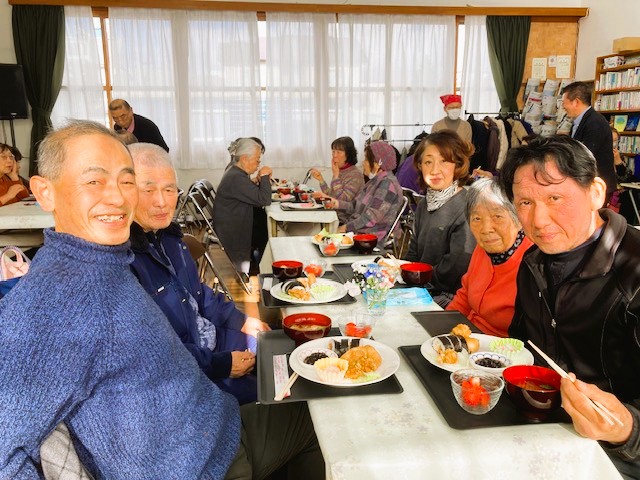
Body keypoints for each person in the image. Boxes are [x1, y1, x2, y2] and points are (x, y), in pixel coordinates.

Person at [1, 120, 322, 479]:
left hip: (214, 426)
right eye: (94, 181)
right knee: (321, 424)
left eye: (126, 181)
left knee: (308, 397)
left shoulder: (109, 265)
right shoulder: (51, 304)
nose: (118, 197)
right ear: (44, 192)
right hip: (201, 463)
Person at [499, 135, 640, 479]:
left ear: (596, 192)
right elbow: (520, 346)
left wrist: (626, 429)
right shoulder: (533, 262)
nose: (539, 220)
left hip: (613, 457)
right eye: (525, 202)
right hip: (540, 431)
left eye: (555, 198)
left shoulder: (634, 273)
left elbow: (624, 430)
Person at [128, 142, 269, 405]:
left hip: (211, 339)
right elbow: (158, 355)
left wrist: (241, 320)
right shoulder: (125, 261)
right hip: (195, 369)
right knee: (271, 388)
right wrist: (222, 364)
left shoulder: (169, 238)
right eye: (148, 190)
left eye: (169, 189)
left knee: (274, 349)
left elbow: (199, 295)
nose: (162, 201)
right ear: (126, 190)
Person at [446, 178, 533, 337]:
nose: (486, 229)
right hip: (467, 336)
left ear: (519, 219)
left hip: (502, 347)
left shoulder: (533, 263)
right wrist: (442, 330)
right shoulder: (482, 249)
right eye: (477, 219)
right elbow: (464, 297)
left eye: (497, 216)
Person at [404, 130, 476, 307]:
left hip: (449, 296)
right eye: (428, 162)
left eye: (444, 161)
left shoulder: (466, 207)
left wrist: (417, 280)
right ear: (420, 166)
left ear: (457, 164)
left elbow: (456, 268)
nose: (435, 170)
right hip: (421, 287)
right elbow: (413, 252)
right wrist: (404, 271)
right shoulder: (424, 204)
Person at [325, 141, 403, 242]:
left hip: (372, 238)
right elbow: (355, 205)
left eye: (366, 159)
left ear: (377, 164)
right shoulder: (375, 181)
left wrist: (344, 228)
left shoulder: (387, 185)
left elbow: (370, 219)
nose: (363, 163)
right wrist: (336, 204)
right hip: (358, 231)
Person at [214, 138, 272, 273]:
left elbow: (245, 191)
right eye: (257, 160)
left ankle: (259, 263)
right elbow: (264, 199)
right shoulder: (236, 177)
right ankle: (260, 267)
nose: (258, 164)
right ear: (245, 159)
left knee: (265, 221)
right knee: (267, 227)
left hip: (233, 222)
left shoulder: (234, 171)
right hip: (233, 230)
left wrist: (255, 182)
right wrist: (264, 175)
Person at [562, 81, 616, 204]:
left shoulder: (595, 122)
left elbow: (585, 154)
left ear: (576, 102)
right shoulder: (579, 122)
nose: (563, 106)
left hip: (596, 186)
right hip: (585, 183)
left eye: (564, 102)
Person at [310, 136, 364, 224]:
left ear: (348, 154)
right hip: (333, 214)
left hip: (345, 220)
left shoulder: (355, 175)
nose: (334, 155)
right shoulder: (340, 170)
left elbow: (344, 201)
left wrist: (335, 176)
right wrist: (321, 180)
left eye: (338, 152)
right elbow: (332, 195)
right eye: (333, 151)